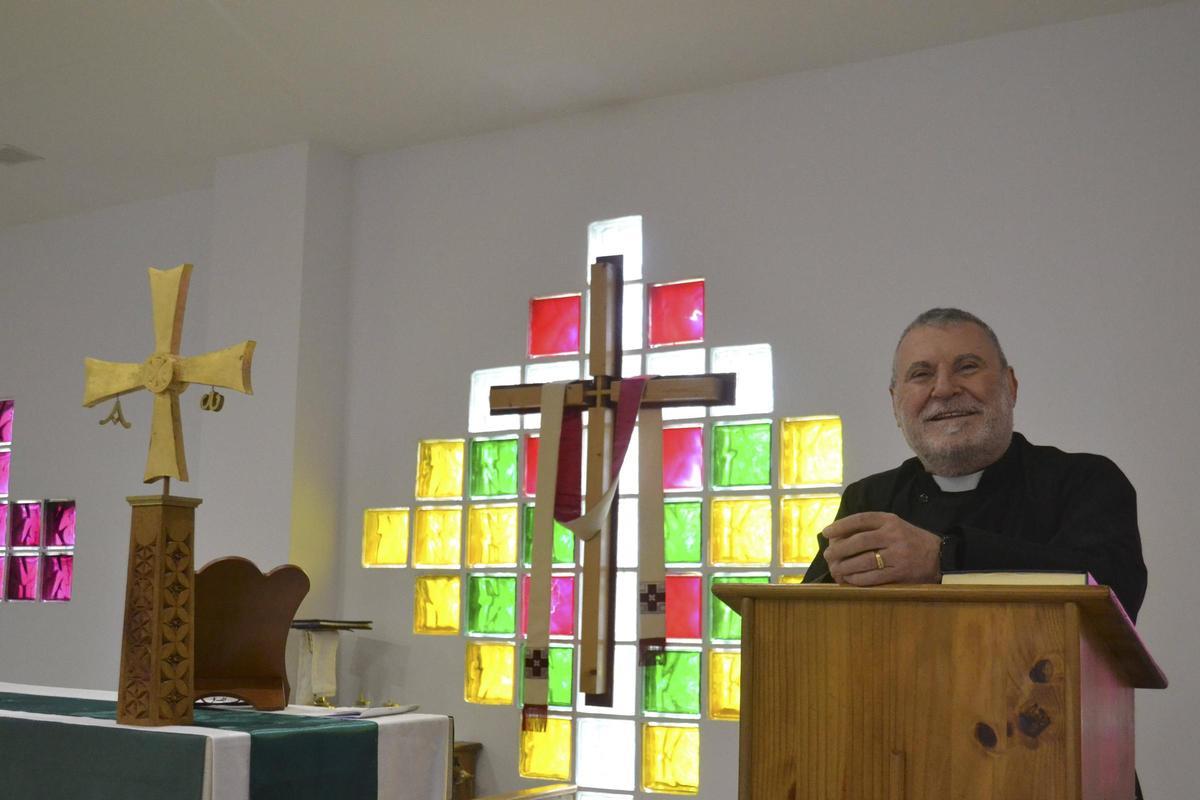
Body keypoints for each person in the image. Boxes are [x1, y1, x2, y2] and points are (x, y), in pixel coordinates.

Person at [803, 308, 1147, 622]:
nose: (944, 389)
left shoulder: (1085, 482)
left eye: (967, 367)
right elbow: (806, 620)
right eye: (921, 374)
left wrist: (943, 558)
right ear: (895, 404)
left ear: (1010, 386)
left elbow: (1113, 596)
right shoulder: (868, 500)